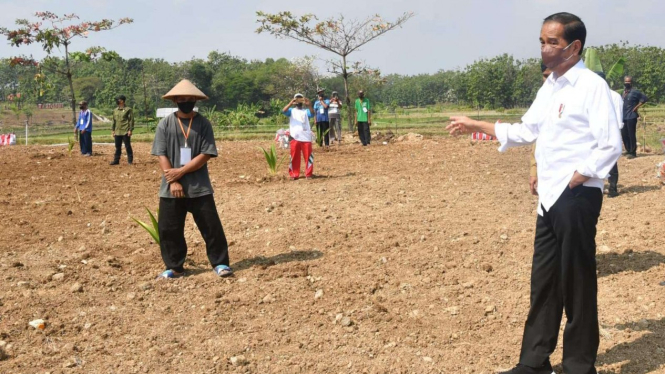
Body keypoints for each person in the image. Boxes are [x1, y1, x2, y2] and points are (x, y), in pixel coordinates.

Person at [447, 12, 622, 374]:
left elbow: (610, 144)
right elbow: (526, 130)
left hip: (575, 196)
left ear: (574, 47)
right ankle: (534, 362)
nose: (544, 48)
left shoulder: (591, 87)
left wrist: (579, 176)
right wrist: (475, 125)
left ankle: (578, 365)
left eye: (552, 42)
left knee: (577, 282)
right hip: (548, 198)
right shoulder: (551, 87)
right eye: (541, 41)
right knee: (543, 280)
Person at [150, 79, 232, 279]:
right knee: (169, 229)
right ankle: (175, 267)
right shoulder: (165, 124)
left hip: (199, 186)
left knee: (211, 226)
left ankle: (220, 263)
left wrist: (181, 172)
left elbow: (206, 154)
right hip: (171, 187)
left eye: (189, 98)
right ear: (176, 100)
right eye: (182, 98)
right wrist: (174, 180)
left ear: (195, 100)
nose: (185, 101)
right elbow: (161, 154)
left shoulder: (203, 124)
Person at [528, 64, 553, 196]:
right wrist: (534, 171)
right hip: (546, 172)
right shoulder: (542, 98)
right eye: (545, 76)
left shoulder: (577, 96)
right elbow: (536, 137)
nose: (548, 80)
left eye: (551, 75)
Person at [599, 72, 624, 197]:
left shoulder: (614, 96)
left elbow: (619, 117)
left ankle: (613, 188)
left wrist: (616, 135)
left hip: (610, 134)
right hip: (595, 135)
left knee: (611, 162)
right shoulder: (592, 96)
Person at [282, 93, 314, 179]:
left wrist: (309, 105)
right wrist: (290, 103)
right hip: (294, 137)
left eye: (300, 99)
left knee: (308, 157)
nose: (298, 101)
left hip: (306, 137)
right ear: (294, 100)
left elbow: (313, 114)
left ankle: (309, 174)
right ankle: (294, 174)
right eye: (297, 99)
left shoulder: (306, 111)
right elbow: (283, 111)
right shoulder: (291, 111)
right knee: (294, 157)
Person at [621, 76, 647, 159]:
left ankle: (633, 152)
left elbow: (644, 98)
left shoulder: (635, 92)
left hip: (631, 116)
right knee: (624, 134)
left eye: (628, 82)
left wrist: (636, 107)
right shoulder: (624, 92)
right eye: (625, 82)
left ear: (631, 83)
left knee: (631, 134)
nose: (626, 83)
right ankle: (628, 150)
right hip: (624, 116)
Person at [110, 95, 134, 165]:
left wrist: (130, 130)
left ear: (122, 101)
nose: (117, 101)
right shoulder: (115, 110)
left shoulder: (128, 110)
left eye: (118, 100)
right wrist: (113, 130)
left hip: (125, 131)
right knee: (117, 147)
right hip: (117, 131)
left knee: (127, 146)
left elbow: (131, 120)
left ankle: (130, 160)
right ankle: (116, 160)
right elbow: (113, 120)